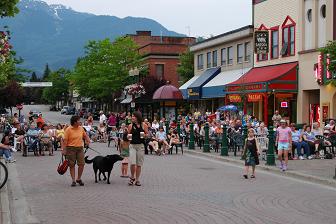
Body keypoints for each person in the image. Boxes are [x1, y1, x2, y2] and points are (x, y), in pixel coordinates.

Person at [62, 116, 90, 187]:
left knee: (82, 164)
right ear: (74, 122)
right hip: (71, 149)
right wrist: (64, 150)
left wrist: (87, 141)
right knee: (72, 165)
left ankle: (79, 178)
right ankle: (73, 180)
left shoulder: (81, 128)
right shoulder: (68, 129)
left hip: (80, 148)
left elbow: (85, 136)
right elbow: (65, 141)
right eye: (78, 121)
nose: (80, 122)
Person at [127, 111, 148, 186]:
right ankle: (132, 177)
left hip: (140, 146)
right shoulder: (130, 126)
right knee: (133, 163)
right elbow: (129, 135)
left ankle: (137, 179)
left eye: (133, 116)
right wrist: (128, 137)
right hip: (132, 145)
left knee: (139, 164)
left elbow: (147, 134)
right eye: (132, 116)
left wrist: (145, 135)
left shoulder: (144, 125)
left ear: (137, 117)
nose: (132, 117)